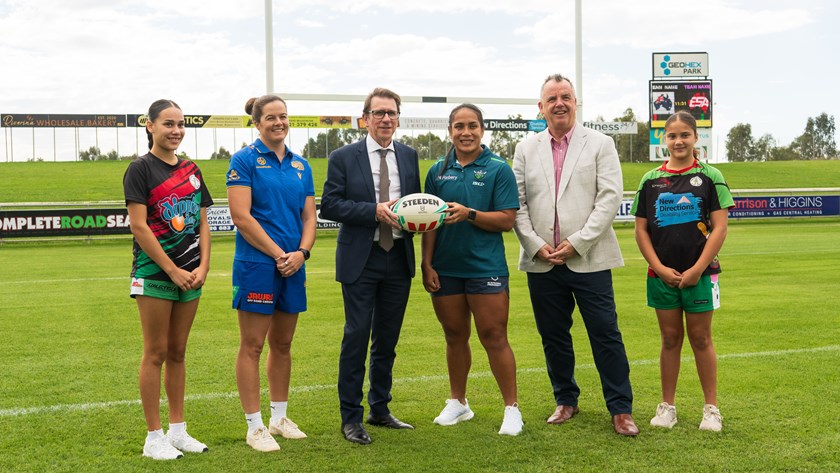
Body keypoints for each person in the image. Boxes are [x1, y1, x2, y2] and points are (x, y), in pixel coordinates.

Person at [512, 74, 639, 436]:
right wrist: (535, 244)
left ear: (576, 102)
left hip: (589, 258)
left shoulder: (600, 143)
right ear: (541, 107)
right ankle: (565, 399)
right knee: (553, 336)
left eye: (566, 97)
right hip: (542, 260)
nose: (560, 104)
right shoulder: (525, 148)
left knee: (605, 333)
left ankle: (620, 409)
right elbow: (516, 203)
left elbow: (609, 198)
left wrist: (578, 242)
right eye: (552, 98)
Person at [320, 87, 421, 445]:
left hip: (398, 256)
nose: (385, 119)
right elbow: (330, 205)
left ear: (398, 119)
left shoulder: (409, 155)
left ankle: (380, 408)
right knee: (357, 335)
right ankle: (351, 417)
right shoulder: (343, 157)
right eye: (378, 113)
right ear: (365, 119)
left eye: (391, 113)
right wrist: (373, 211)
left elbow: (415, 204)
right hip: (361, 258)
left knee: (387, 339)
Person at [421, 104, 522, 436]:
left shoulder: (498, 168)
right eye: (459, 126)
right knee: (454, 336)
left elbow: (507, 220)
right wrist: (427, 262)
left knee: (494, 336)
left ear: (482, 129)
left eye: (472, 126)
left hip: (485, 268)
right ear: (450, 130)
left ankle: (512, 409)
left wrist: (470, 213)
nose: (466, 132)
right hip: (446, 269)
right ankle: (459, 402)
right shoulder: (437, 171)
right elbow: (429, 222)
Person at [631, 111, 734, 432]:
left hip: (701, 275)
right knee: (670, 339)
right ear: (664, 139)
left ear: (695, 137)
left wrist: (697, 269)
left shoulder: (710, 176)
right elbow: (641, 230)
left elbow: (719, 228)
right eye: (672, 136)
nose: (679, 141)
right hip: (661, 276)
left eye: (685, 135)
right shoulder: (650, 180)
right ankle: (667, 407)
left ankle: (711, 409)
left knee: (701, 338)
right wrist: (659, 268)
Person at [124, 99, 213, 460]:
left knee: (178, 352)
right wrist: (173, 271)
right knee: (156, 352)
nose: (176, 131)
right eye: (168, 124)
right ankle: (153, 437)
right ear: (150, 126)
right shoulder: (140, 169)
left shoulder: (192, 169)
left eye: (180, 124)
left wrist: (203, 267)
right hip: (154, 273)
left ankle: (178, 431)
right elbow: (139, 226)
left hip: (191, 275)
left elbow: (202, 222)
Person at [226, 94, 316, 452]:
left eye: (283, 116)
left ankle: (279, 418)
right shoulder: (244, 159)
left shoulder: (301, 165)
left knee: (283, 344)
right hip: (258, 265)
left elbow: (309, 217)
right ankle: (255, 426)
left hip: (293, 265)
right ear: (257, 123)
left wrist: (302, 254)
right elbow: (241, 217)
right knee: (253, 345)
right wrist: (280, 254)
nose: (279, 123)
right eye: (270, 118)